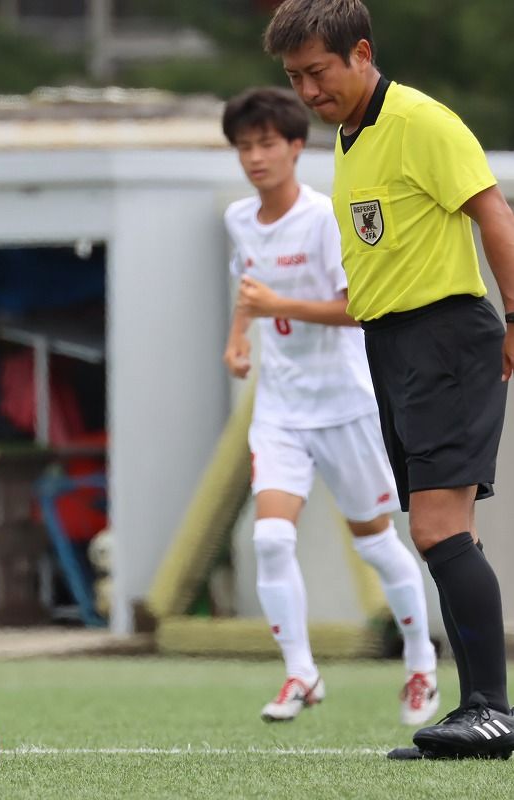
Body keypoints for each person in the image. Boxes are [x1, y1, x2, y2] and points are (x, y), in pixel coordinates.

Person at [265, 0, 514, 759]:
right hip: (394, 345)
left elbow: (493, 215)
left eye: (317, 72)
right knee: (440, 528)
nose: (307, 91)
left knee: (438, 527)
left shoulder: (418, 121)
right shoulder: (351, 135)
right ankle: (481, 711)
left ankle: (490, 710)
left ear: (361, 52)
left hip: (443, 336)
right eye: (294, 78)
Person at [220, 87, 438, 725]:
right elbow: (249, 290)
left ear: (294, 147)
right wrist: (237, 340)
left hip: (345, 404)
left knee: (375, 542)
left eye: (267, 144)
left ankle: (421, 661)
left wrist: (273, 309)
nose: (256, 157)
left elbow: (356, 308)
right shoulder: (238, 218)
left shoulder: (324, 217)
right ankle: (300, 674)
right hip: (281, 409)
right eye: (244, 146)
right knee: (268, 537)